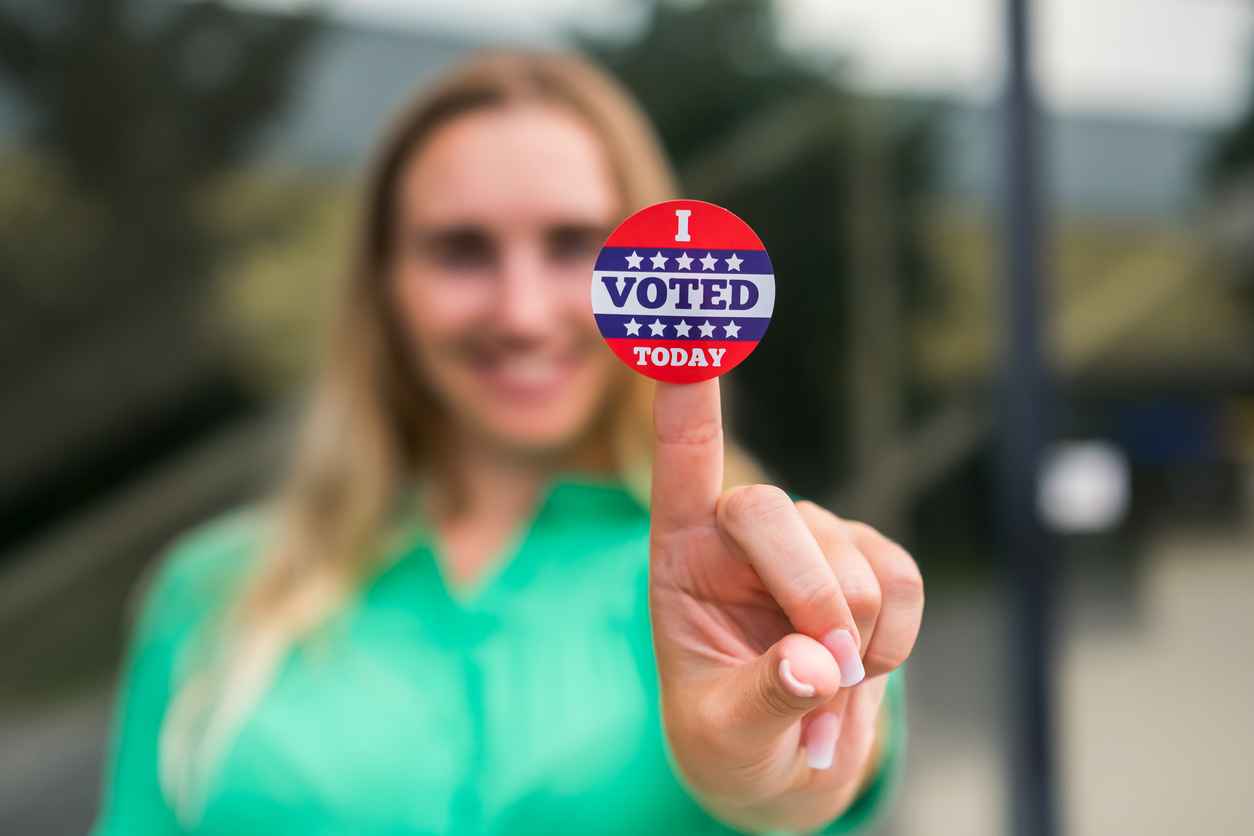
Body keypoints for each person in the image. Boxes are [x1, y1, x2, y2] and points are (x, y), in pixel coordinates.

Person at [92, 49, 924, 836]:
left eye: (572, 244)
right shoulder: (212, 591)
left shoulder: (769, 594)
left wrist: (777, 775)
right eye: (461, 250)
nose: (522, 314)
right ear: (387, 285)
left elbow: (821, 789)